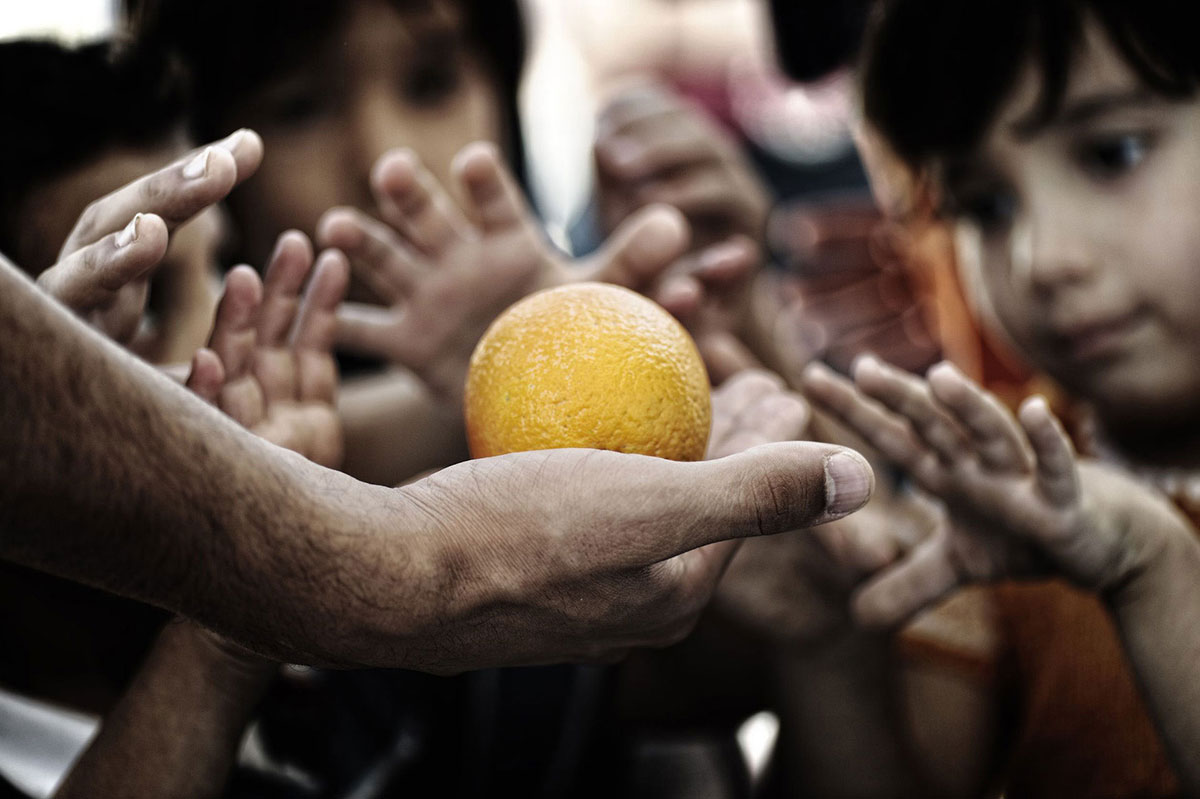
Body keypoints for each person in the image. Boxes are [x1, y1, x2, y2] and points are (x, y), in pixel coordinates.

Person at [795, 0, 1200, 795]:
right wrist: (820, 642)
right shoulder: (1007, 478)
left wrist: (1155, 572)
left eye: (1113, 152)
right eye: (984, 206)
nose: (1042, 258)